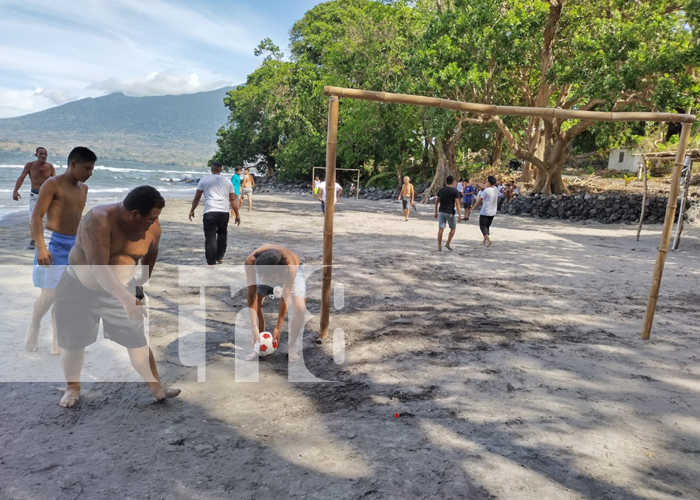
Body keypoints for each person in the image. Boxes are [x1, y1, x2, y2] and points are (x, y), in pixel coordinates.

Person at [55, 186, 181, 407]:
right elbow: (98, 267)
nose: (155, 222)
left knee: (137, 341)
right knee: (74, 344)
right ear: (134, 214)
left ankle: (156, 388)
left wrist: (138, 290)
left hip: (122, 291)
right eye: (151, 218)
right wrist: (126, 298)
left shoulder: (153, 229)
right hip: (78, 290)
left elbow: (149, 259)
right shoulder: (98, 219)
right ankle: (72, 387)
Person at [26, 146, 96, 354]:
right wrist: (40, 247)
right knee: (48, 295)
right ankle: (35, 325)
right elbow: (36, 216)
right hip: (52, 242)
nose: (90, 173)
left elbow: (78, 219)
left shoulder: (83, 189)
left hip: (73, 244)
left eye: (92, 169)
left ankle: (58, 339)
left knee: (64, 295)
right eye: (87, 168)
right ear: (73, 164)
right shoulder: (52, 184)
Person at [244, 245, 306, 363]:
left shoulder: (289, 268)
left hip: (290, 271)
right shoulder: (251, 263)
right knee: (257, 301)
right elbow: (252, 296)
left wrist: (278, 327)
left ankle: (291, 347)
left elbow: (285, 298)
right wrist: (254, 327)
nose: (262, 279)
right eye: (260, 276)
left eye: (265, 277)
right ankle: (259, 344)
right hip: (265, 269)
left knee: (299, 307)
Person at [189, 162, 241, 266]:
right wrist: (237, 214)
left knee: (210, 236)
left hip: (210, 212)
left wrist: (192, 210)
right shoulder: (227, 182)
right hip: (223, 212)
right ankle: (220, 257)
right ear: (221, 170)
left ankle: (211, 261)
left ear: (211, 169)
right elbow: (232, 199)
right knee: (222, 234)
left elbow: (197, 197)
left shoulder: (204, 180)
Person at [12, 146, 57, 249]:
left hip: (48, 195)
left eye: (45, 154)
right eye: (40, 153)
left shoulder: (50, 167)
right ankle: (33, 240)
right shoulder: (30, 165)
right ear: (36, 155)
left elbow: (55, 181)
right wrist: (15, 191)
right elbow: (21, 178)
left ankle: (50, 238)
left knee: (52, 217)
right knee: (33, 217)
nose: (43, 156)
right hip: (35, 195)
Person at [434, 175, 461, 251]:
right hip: (450, 212)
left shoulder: (441, 190)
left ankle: (439, 246)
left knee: (441, 229)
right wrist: (459, 214)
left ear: (445, 182)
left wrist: (435, 212)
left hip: (441, 211)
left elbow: (436, 201)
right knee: (453, 228)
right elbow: (457, 203)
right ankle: (448, 243)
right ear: (453, 182)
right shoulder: (455, 191)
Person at [473, 175, 499, 247]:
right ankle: (484, 242)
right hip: (493, 211)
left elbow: (479, 201)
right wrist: (478, 183)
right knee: (487, 226)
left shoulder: (486, 191)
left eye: (487, 181)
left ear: (489, 182)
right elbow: (484, 185)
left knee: (482, 226)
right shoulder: (496, 189)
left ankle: (488, 240)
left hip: (485, 211)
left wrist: (473, 207)